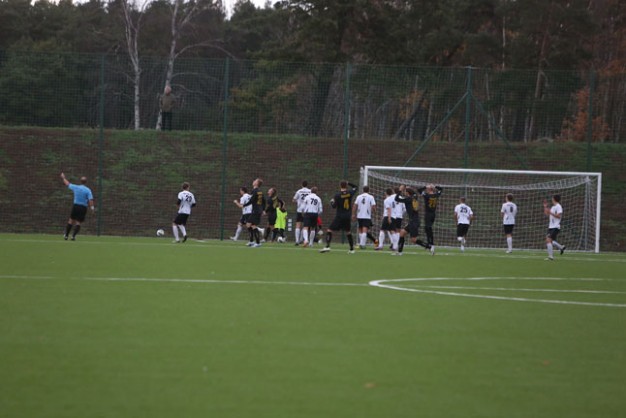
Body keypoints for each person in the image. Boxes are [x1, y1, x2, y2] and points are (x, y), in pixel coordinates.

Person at [320, 181, 358, 254]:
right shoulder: (350, 193)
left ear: (340, 186)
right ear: (346, 186)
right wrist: (349, 183)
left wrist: (331, 202)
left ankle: (327, 246)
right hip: (347, 216)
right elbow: (355, 187)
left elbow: (334, 206)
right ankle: (351, 249)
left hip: (340, 216)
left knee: (329, 230)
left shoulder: (337, 195)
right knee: (348, 231)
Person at [393, 186, 430, 255]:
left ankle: (428, 246)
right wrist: (408, 188)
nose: (404, 193)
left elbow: (396, 199)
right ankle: (399, 252)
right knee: (402, 233)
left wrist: (400, 190)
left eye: (405, 191)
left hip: (414, 222)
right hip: (413, 221)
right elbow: (415, 192)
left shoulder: (408, 199)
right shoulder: (414, 196)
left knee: (413, 240)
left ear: (407, 193)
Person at [60, 172, 95, 241]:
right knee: (78, 222)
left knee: (71, 220)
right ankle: (73, 236)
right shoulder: (88, 190)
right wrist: (92, 208)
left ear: (80, 181)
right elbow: (90, 200)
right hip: (83, 207)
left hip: (76, 206)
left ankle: (66, 235)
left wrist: (63, 177)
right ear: (86, 182)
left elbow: (67, 183)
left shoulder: (76, 187)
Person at [418, 183, 442, 255]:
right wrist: (435, 186)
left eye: (428, 189)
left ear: (428, 189)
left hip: (428, 214)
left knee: (428, 229)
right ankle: (430, 244)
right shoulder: (436, 195)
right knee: (427, 228)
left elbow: (419, 190)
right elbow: (441, 189)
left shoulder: (427, 195)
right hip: (433, 214)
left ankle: (431, 245)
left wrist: (425, 186)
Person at [243, 178, 265, 247]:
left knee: (253, 225)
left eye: (255, 181)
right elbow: (264, 201)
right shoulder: (260, 191)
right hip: (257, 210)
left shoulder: (255, 191)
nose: (253, 181)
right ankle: (252, 241)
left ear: (257, 183)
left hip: (256, 211)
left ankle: (258, 243)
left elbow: (252, 200)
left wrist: (244, 205)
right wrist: (263, 209)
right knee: (249, 224)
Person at [544, 194, 565, 260]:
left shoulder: (559, 206)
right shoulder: (553, 207)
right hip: (551, 227)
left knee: (548, 240)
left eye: (552, 198)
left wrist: (551, 212)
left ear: (554, 199)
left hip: (556, 226)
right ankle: (561, 247)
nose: (551, 199)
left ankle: (550, 257)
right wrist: (545, 207)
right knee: (550, 241)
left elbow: (559, 216)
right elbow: (547, 214)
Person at [292, 181, 311, 245]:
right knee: (305, 225)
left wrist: (298, 201)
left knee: (298, 225)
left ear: (301, 185)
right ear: (307, 185)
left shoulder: (299, 191)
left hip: (300, 210)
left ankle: (297, 240)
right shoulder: (310, 191)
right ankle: (302, 239)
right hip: (307, 210)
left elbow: (293, 200)